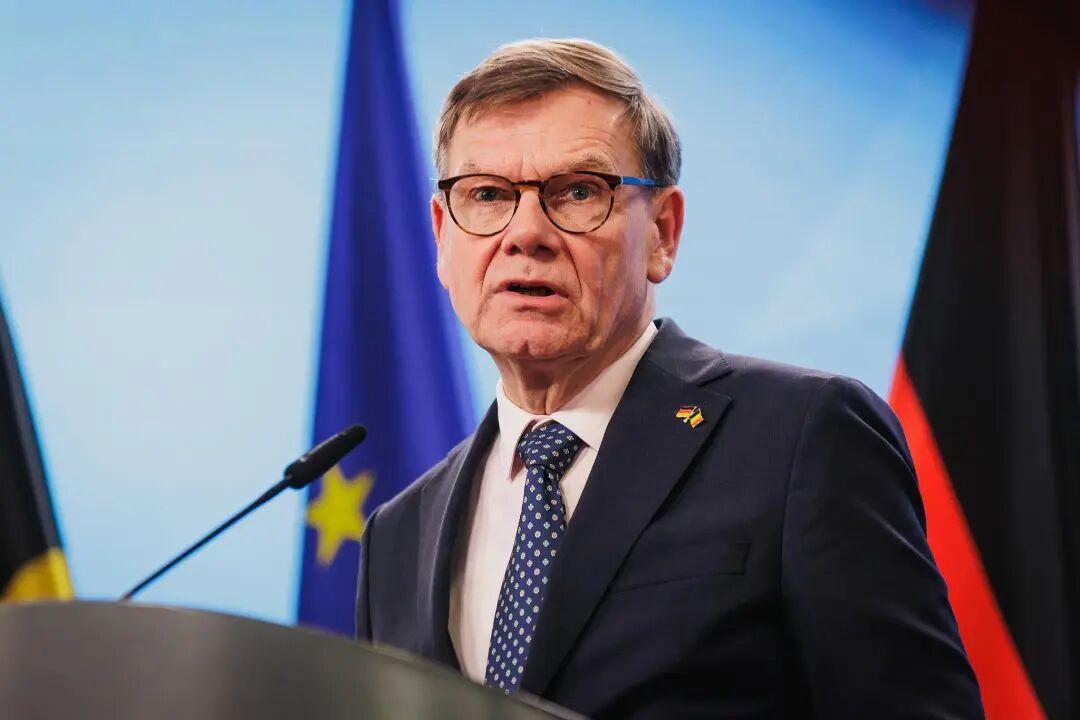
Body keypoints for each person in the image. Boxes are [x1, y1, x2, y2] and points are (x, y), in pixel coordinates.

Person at [355, 38, 983, 719]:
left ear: (662, 233)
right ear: (442, 235)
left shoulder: (802, 437)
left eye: (578, 192)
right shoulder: (398, 533)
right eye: (486, 195)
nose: (525, 233)